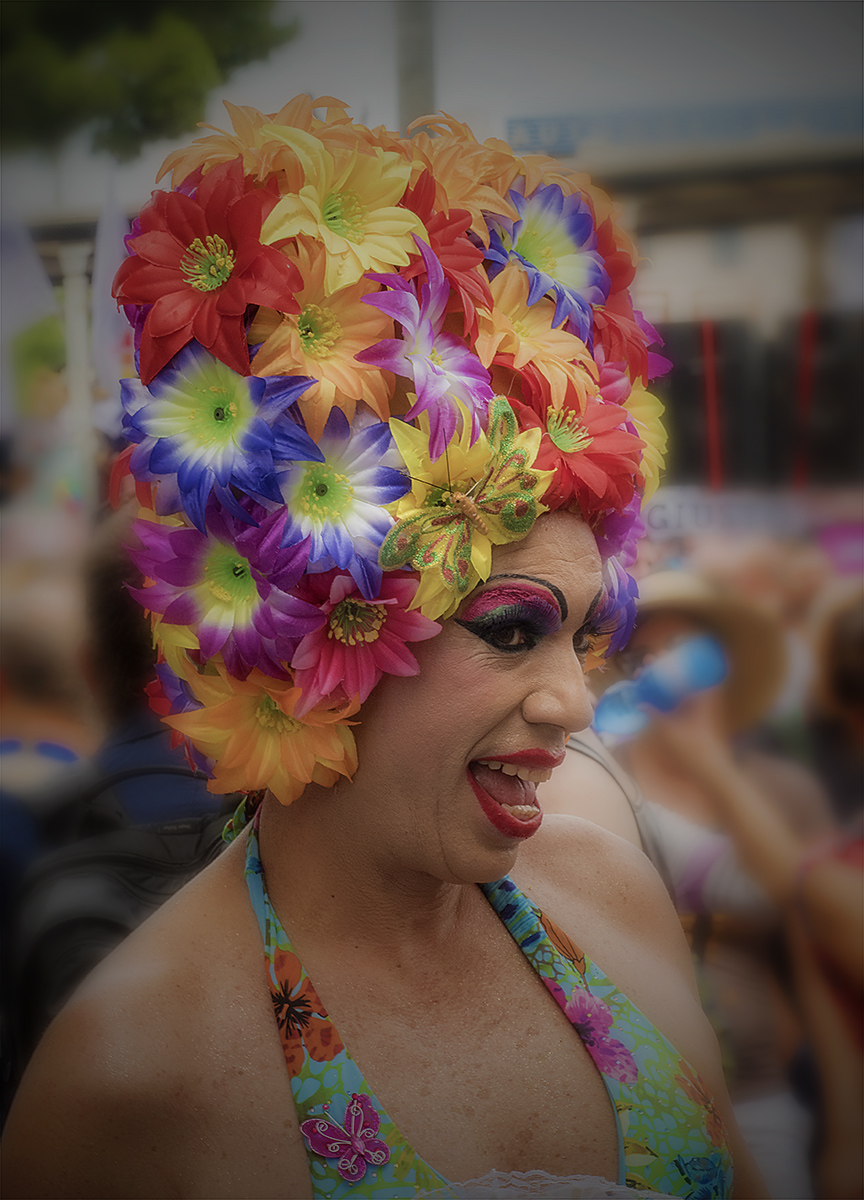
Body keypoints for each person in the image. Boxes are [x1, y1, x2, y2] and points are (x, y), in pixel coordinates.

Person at [1, 96, 766, 1200]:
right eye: (511, 629)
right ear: (314, 627)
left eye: (584, 633)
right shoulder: (129, 1080)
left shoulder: (613, 894)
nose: (574, 703)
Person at [551, 570, 834, 1200]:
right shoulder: (600, 782)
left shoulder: (784, 787)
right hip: (645, 1080)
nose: (666, 671)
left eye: (687, 652)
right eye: (645, 656)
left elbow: (811, 916)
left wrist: (847, 1129)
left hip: (761, 1083)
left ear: (722, 663)